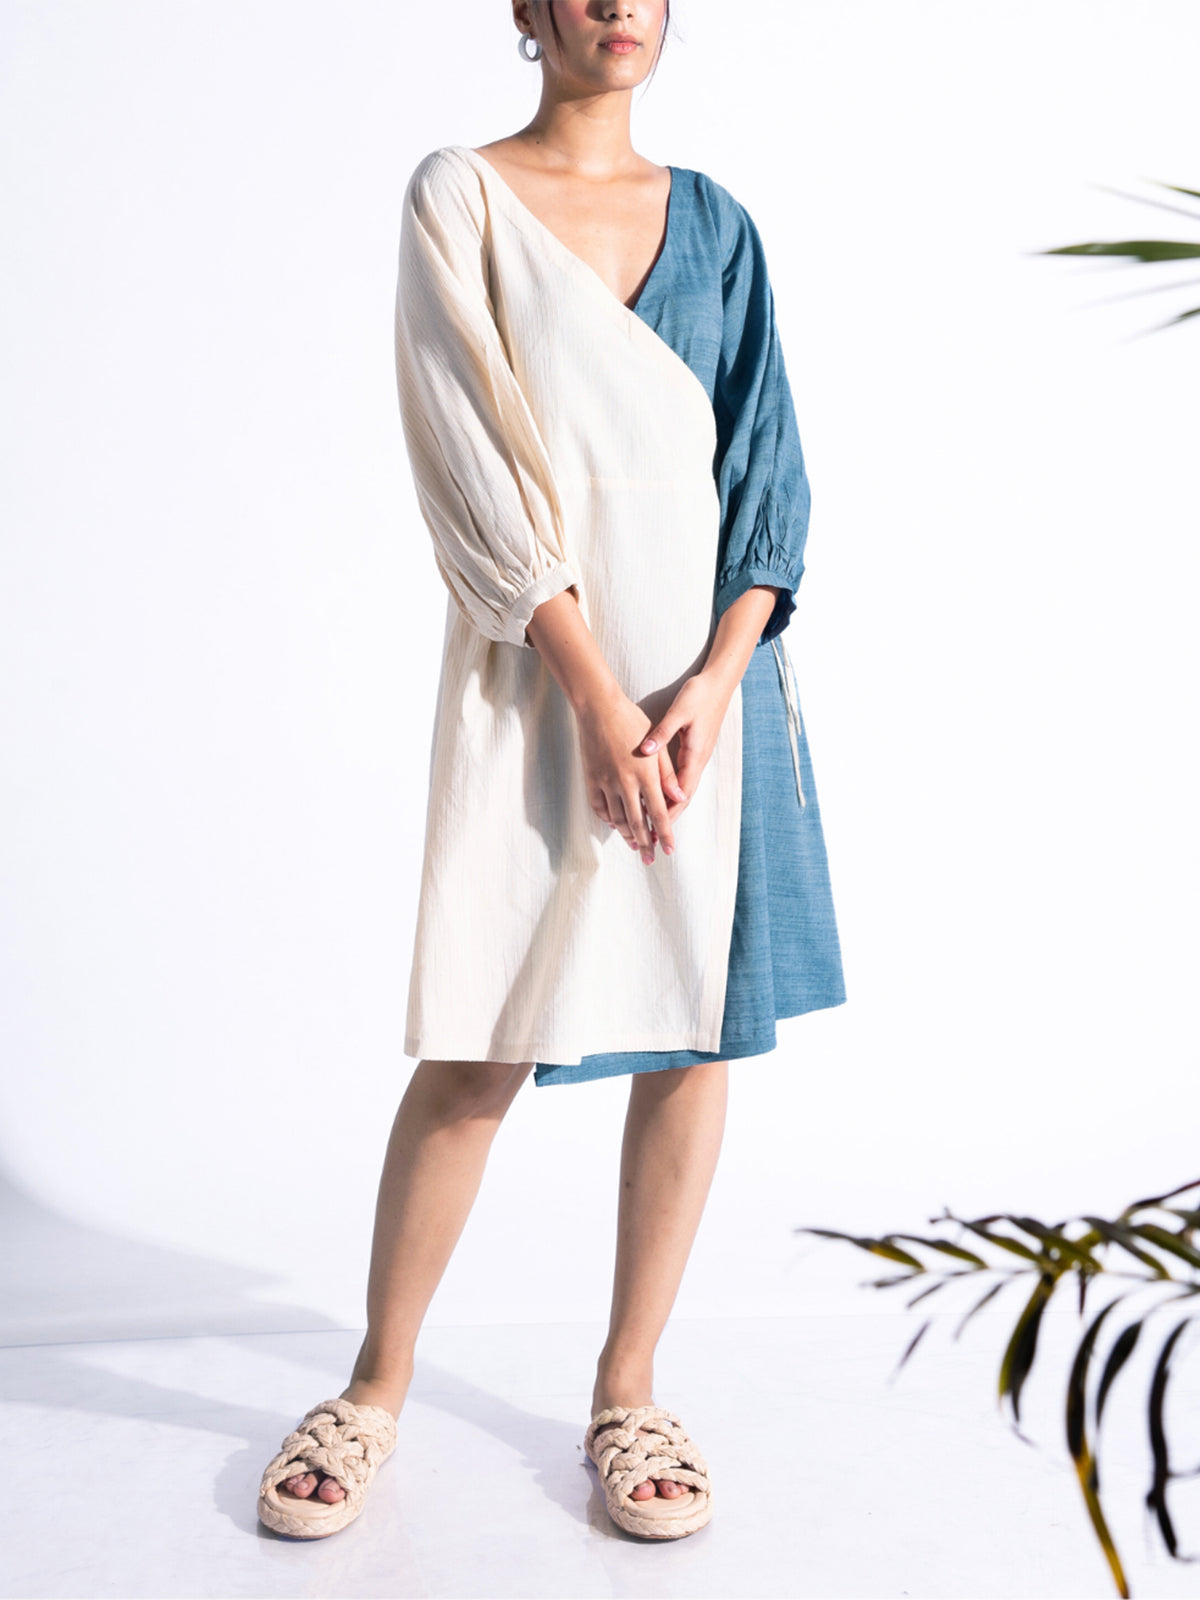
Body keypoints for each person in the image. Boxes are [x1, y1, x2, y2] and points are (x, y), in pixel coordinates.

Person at [257, 0, 845, 1544]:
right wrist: (595, 695)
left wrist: (710, 687)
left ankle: (629, 1389)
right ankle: (374, 1387)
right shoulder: (460, 193)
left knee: (694, 1037)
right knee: (483, 1039)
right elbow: (463, 454)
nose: (616, 5)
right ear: (526, 9)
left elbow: (767, 472)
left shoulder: (718, 224)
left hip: (708, 699)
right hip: (542, 677)